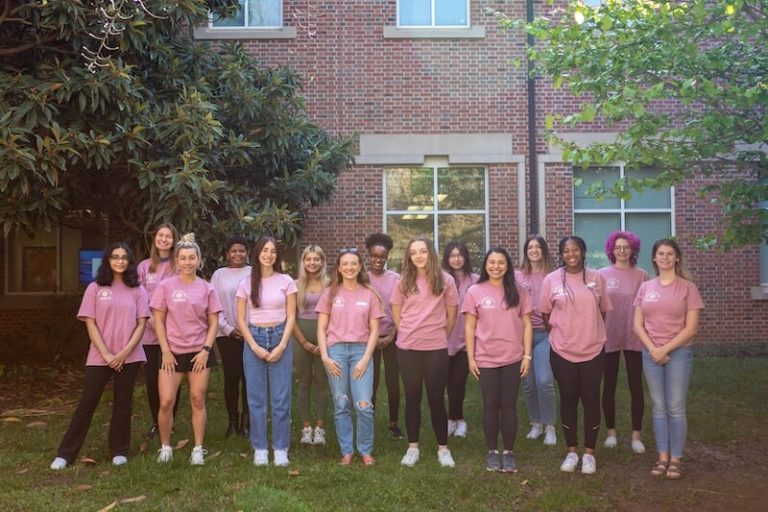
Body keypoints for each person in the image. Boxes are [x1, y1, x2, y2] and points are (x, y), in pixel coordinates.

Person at [50, 243, 149, 470]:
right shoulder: (95, 288)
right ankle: (65, 454)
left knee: (123, 404)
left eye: (124, 257)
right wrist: (106, 353)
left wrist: (124, 353)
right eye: (115, 257)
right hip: (99, 356)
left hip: (129, 356)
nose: (120, 261)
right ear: (107, 260)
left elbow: (142, 324)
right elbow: (90, 322)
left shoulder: (138, 290)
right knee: (87, 403)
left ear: (130, 262)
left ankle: (119, 450)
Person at [539, 236, 612, 474]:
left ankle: (589, 453)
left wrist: (588, 332)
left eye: (576, 249)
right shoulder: (551, 280)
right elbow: (546, 315)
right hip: (562, 351)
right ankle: (571, 451)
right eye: (566, 251)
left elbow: (603, 312)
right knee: (568, 400)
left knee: (591, 400)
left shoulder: (597, 277)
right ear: (561, 254)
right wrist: (564, 333)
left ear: (583, 251)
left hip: (593, 350)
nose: (571, 254)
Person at [633, 239, 703, 480]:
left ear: (677, 258)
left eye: (669, 254)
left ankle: (676, 459)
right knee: (659, 407)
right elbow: (637, 324)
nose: (665, 257)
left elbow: (691, 328)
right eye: (660, 253)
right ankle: (662, 457)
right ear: (654, 258)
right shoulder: (646, 287)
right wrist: (653, 349)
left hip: (679, 353)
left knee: (675, 407)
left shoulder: (688, 288)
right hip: (651, 352)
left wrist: (665, 350)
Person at [150, 234, 222, 465]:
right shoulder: (165, 286)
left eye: (192, 258)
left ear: (199, 260)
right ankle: (165, 446)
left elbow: (214, 323)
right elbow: (158, 320)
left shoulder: (207, 288)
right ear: (177, 260)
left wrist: (205, 350)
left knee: (197, 399)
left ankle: (198, 448)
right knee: (166, 402)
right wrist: (166, 351)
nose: (188, 262)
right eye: (183, 258)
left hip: (199, 352)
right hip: (171, 352)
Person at [391, 236, 459, 468]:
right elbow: (397, 312)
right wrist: (408, 333)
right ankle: (413, 448)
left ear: (430, 253)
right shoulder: (403, 281)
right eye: (413, 252)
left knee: (436, 398)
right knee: (412, 397)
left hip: (436, 348)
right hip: (408, 348)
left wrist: (440, 335)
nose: (418, 256)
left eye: (422, 251)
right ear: (409, 256)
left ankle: (443, 448)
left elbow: (452, 314)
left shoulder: (445, 280)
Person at [463, 247, 532, 473]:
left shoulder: (519, 291)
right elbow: (470, 327)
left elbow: (528, 324)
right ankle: (492, 451)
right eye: (491, 262)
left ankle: (509, 452)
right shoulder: (475, 291)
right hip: (486, 358)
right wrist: (471, 358)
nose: (496, 266)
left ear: (507, 266)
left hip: (513, 357)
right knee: (491, 405)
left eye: (501, 262)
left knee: (509, 406)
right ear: (485, 265)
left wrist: (527, 355)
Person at [317, 247, 383, 465]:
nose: (349, 267)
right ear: (338, 267)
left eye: (354, 263)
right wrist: (325, 357)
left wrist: (366, 358)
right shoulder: (330, 293)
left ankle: (365, 449)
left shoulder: (370, 293)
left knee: (364, 404)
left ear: (360, 266)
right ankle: (347, 450)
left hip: (360, 352)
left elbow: (374, 330)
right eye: (345, 264)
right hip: (335, 352)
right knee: (341, 402)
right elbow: (321, 328)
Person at [236, 236, 298, 467]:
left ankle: (281, 448)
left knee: (281, 398)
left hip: (280, 337)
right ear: (257, 253)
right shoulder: (246, 283)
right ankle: (260, 447)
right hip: (255, 339)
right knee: (256, 399)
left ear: (277, 255)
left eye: (273, 251)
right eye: (264, 250)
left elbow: (292, 316)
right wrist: (254, 346)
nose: (268, 255)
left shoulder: (287, 281)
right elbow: (241, 319)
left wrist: (282, 345)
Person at [599, 231, 648, 453]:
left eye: (626, 247)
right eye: (618, 247)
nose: (622, 251)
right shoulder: (601, 275)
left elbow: (646, 307)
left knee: (635, 386)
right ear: (611, 250)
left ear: (633, 250)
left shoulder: (642, 275)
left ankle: (636, 435)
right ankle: (611, 433)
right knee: (608, 386)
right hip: (608, 336)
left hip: (634, 336)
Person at [137, 223, 180, 439]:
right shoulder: (144, 267)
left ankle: (170, 421)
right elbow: (139, 297)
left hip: (175, 333)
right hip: (150, 332)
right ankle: (157, 421)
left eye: (168, 236)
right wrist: (152, 322)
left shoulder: (178, 265)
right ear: (155, 239)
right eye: (161, 235)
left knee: (173, 377)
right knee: (153, 380)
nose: (164, 239)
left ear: (174, 240)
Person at [518, 234, 557, 446]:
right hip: (524, 334)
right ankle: (536, 423)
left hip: (545, 334)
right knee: (529, 384)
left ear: (543, 250)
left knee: (544, 380)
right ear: (526, 251)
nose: (534, 250)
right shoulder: (518, 276)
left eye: (537, 247)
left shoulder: (553, 275)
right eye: (530, 247)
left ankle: (550, 425)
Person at [210, 236, 252, 437]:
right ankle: (232, 422)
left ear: (247, 252)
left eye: (242, 251)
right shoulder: (219, 275)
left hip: (251, 334)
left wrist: (248, 330)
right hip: (226, 334)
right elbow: (213, 306)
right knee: (231, 377)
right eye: (233, 251)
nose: (238, 254)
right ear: (227, 253)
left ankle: (247, 421)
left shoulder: (254, 272)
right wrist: (228, 329)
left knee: (249, 378)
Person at [365, 233, 403, 439]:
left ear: (387, 256)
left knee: (392, 380)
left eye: (382, 257)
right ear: (368, 256)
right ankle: (367, 419)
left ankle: (394, 423)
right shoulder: (362, 278)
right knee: (371, 380)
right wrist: (373, 337)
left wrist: (391, 336)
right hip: (367, 337)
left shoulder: (396, 279)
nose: (378, 260)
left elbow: (401, 309)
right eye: (374, 256)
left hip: (392, 335)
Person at [292, 245, 331, 446]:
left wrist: (322, 341)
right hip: (301, 336)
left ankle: (320, 427)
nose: (312, 263)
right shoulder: (296, 284)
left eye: (317, 259)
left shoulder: (330, 284)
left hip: (325, 336)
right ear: (303, 262)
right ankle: (306, 427)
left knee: (322, 381)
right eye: (309, 259)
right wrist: (304, 342)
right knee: (305, 381)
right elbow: (290, 317)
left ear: (322, 262)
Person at [442, 241, 479, 439]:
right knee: (448, 383)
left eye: (460, 255)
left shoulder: (476, 280)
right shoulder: (441, 279)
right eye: (452, 255)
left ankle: (459, 420)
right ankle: (451, 420)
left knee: (458, 383)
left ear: (465, 257)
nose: (456, 259)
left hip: (467, 341)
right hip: (445, 338)